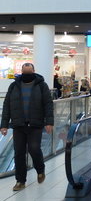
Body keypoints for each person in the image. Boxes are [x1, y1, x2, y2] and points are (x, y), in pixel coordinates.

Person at [0, 63, 53, 191]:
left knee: (34, 149)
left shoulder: (41, 85)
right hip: (18, 124)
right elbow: (7, 105)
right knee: (19, 153)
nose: (27, 75)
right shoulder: (14, 86)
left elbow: (48, 104)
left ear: (34, 71)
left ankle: (40, 169)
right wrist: (4, 125)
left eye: (29, 72)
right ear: (21, 72)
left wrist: (49, 122)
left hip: (35, 124)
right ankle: (20, 181)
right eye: (25, 72)